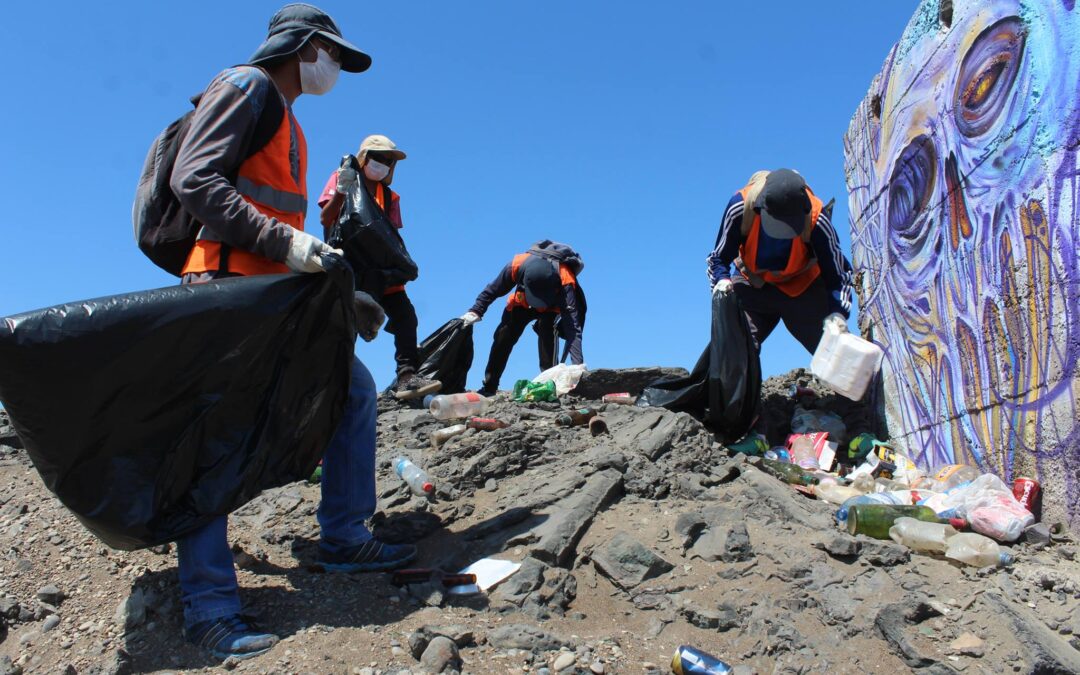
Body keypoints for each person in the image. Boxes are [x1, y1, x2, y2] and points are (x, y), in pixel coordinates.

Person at [169, 4, 415, 661]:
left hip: (272, 298)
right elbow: (193, 179)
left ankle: (342, 534)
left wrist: (338, 294)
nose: (335, 68)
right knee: (214, 438)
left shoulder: (290, 122)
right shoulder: (246, 87)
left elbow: (280, 230)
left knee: (353, 389)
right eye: (333, 54)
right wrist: (289, 241)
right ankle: (210, 608)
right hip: (223, 294)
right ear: (305, 46)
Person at [317, 134, 441, 400]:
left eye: (388, 160)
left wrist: (400, 266)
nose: (383, 163)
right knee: (347, 322)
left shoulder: (390, 196)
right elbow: (326, 218)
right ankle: (335, 382)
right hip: (352, 268)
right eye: (378, 157)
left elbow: (390, 238)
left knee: (406, 316)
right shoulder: (343, 179)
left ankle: (407, 378)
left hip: (382, 272)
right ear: (364, 158)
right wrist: (341, 190)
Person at [706, 169, 853, 354]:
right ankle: (737, 382)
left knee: (834, 353)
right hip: (753, 285)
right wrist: (721, 281)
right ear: (761, 207)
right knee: (734, 351)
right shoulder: (741, 207)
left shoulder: (816, 218)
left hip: (803, 288)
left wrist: (838, 314)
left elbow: (839, 275)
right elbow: (718, 258)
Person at [462, 241, 585, 396]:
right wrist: (475, 311)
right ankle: (489, 385)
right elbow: (492, 290)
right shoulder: (517, 265)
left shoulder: (565, 279)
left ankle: (549, 385)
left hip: (551, 308)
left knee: (547, 330)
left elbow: (572, 327)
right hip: (521, 304)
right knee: (503, 335)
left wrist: (578, 364)